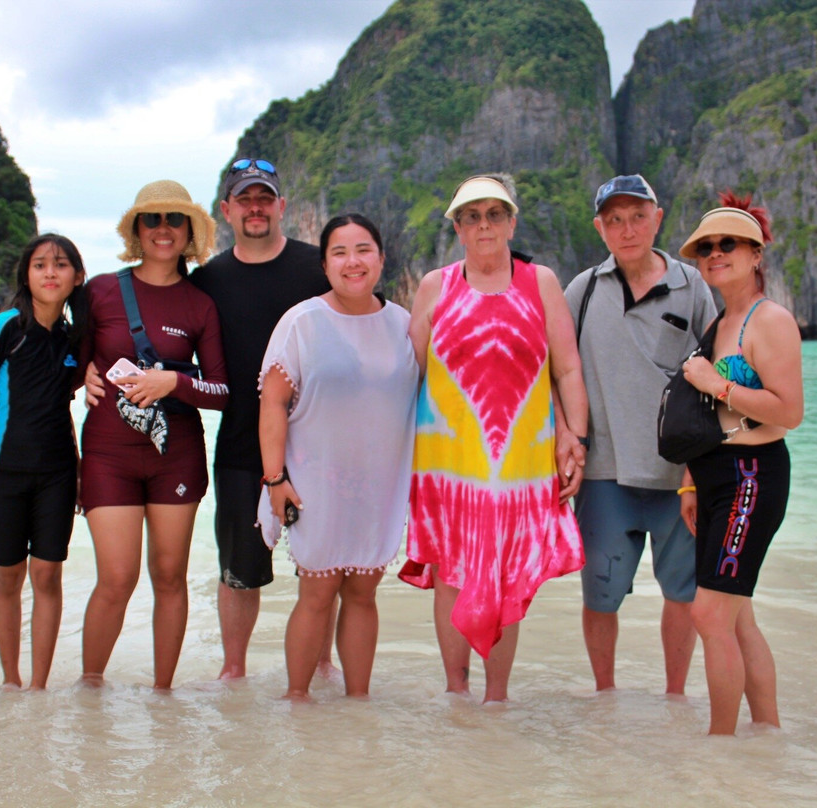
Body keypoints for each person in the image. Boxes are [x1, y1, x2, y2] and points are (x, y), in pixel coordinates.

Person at [400, 175, 587, 703]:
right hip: (447, 462)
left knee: (508, 571)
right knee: (450, 571)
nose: (484, 225)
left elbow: (566, 368)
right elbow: (409, 373)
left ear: (511, 223)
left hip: (521, 464)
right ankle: (456, 692)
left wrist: (575, 437)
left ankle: (497, 698)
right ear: (458, 229)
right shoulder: (436, 286)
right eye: (472, 216)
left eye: (494, 214)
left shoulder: (539, 282)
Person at [563, 175, 717, 695]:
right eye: (614, 220)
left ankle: (675, 697)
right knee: (599, 596)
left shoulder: (691, 286)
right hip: (604, 474)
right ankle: (604, 696)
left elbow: (717, 373)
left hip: (678, 477)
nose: (627, 229)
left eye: (637, 217)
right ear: (599, 228)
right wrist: (565, 442)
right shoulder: (583, 291)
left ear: (658, 218)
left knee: (683, 593)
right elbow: (556, 371)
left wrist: (698, 471)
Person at [257, 214, 419, 700]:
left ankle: (358, 706)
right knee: (318, 591)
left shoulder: (404, 325)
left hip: (379, 484)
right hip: (315, 481)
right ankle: (297, 702)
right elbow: (273, 404)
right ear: (325, 264)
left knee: (364, 593)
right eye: (340, 252)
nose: (353, 262)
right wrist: (275, 479)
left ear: (381, 259)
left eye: (363, 249)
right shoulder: (302, 322)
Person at [78, 180, 229, 690]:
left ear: (189, 230)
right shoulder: (100, 290)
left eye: (174, 219)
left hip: (175, 455)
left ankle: (163, 694)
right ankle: (89, 691)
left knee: (169, 577)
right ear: (137, 230)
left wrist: (175, 383)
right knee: (117, 578)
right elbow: (65, 362)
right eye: (152, 219)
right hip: (108, 453)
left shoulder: (200, 304)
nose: (163, 229)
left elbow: (222, 391)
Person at [188, 159, 334, 680]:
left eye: (264, 198)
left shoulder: (318, 267)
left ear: (282, 206)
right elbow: (167, 347)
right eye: (245, 199)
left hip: (317, 443)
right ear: (226, 210)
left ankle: (322, 665)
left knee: (321, 569)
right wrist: (92, 371)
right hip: (240, 446)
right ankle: (234, 671)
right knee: (239, 570)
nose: (256, 207)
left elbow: (367, 325)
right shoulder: (207, 281)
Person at [678, 192, 804, 734]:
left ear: (756, 255)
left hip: (751, 476)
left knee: (709, 614)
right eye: (706, 247)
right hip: (714, 477)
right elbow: (707, 419)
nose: (715, 254)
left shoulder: (769, 320)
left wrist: (718, 383)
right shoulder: (722, 321)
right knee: (736, 614)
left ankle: (721, 747)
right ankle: (766, 735)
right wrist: (690, 482)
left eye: (728, 244)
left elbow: (789, 411)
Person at [0, 233, 87, 690]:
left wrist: (78, 470)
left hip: (57, 474)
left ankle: (39, 685)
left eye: (60, 264)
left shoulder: (72, 338)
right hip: (1, 471)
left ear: (77, 277)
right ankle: (11, 680)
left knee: (47, 574)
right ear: (26, 275)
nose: (50, 273)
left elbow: (61, 406)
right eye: (40, 265)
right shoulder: (5, 327)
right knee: (9, 575)